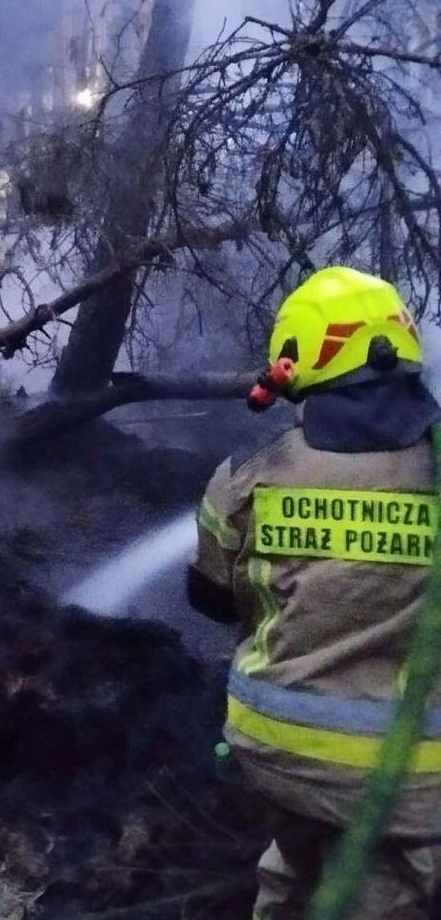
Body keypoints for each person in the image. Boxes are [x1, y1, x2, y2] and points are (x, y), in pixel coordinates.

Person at [188, 266, 441, 919]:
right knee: (389, 893)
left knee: (295, 862)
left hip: (272, 747)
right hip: (410, 771)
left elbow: (213, 598)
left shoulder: (250, 468)